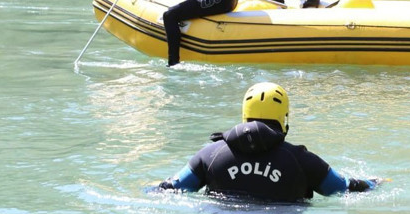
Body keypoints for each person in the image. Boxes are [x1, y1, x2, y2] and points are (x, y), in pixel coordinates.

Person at [157, 82, 379, 201]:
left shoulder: (210, 154)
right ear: (284, 119)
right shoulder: (302, 160)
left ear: (244, 115)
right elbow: (343, 189)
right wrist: (374, 183)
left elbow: (170, 189)